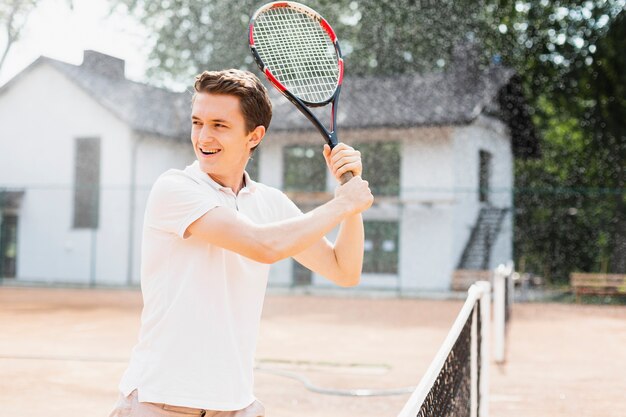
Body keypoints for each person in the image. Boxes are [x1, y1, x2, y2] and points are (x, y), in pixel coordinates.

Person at [109, 69, 373, 417]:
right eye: (197, 122)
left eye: (219, 125)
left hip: (235, 405)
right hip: (161, 402)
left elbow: (344, 270)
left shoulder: (269, 202)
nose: (204, 136)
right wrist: (342, 204)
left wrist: (349, 203)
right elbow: (261, 245)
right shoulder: (175, 189)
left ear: (254, 135)